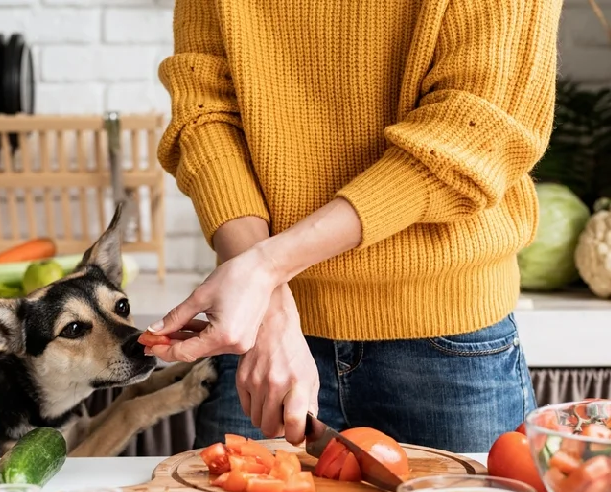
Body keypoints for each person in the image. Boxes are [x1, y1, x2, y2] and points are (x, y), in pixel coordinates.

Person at [147, 0, 561, 453]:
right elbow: (204, 113)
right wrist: (269, 306)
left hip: (446, 342)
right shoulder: (265, 309)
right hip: (262, 336)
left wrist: (265, 271)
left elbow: (473, 130)